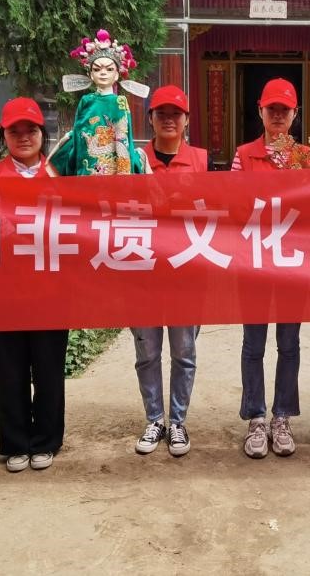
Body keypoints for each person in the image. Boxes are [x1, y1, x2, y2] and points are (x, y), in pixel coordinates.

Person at [0, 97, 67, 473]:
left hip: (51, 289)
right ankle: (15, 441)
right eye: (14, 131)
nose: (23, 137)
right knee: (8, 369)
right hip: (3, 290)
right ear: (3, 135)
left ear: (41, 134)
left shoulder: (59, 175)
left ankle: (46, 440)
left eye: (30, 130)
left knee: (48, 368)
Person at [231, 77, 308, 458]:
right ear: (260, 111)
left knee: (289, 344)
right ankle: (256, 418)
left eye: (284, 110)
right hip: (255, 263)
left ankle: (282, 417)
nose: (278, 115)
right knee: (253, 344)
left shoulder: (307, 157)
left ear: (295, 114)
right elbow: (232, 204)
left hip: (293, 264)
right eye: (271, 109)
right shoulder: (244, 155)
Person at [131, 85, 206, 457]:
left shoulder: (201, 161)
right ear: (150, 118)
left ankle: (178, 421)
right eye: (161, 113)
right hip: (142, 271)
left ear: (187, 120)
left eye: (176, 114)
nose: (169, 120)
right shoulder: (132, 159)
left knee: (183, 352)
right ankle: (154, 419)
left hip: (185, 273)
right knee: (147, 353)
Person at [51, 28, 147, 176]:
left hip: (115, 169)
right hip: (86, 168)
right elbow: (79, 135)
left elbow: (124, 137)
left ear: (117, 75)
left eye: (109, 69)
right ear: (90, 74)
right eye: (97, 69)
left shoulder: (120, 102)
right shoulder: (86, 101)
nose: (103, 73)